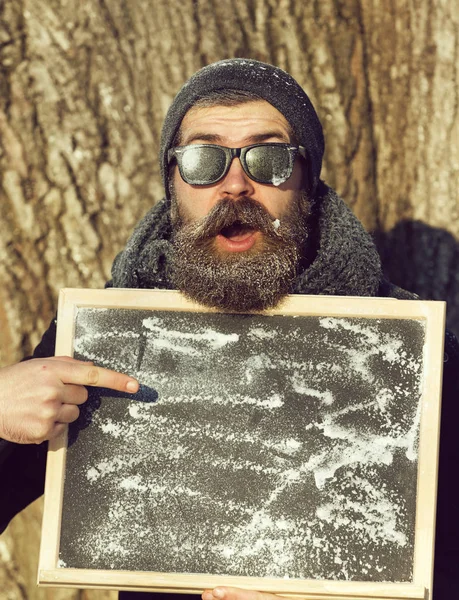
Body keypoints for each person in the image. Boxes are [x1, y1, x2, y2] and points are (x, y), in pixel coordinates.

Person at [1, 59, 458, 600]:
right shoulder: (104, 336)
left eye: (269, 158)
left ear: (306, 178)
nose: (235, 185)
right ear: (173, 180)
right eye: (203, 159)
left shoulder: (415, 359)